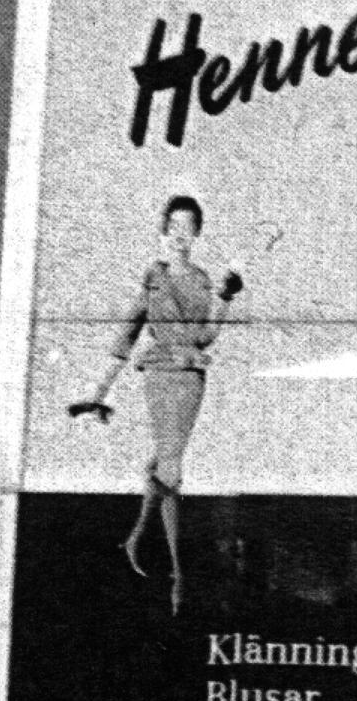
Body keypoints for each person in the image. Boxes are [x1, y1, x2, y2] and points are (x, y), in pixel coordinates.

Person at [72, 194, 243, 613]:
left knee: (166, 465)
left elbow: (205, 337)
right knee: (167, 465)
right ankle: (172, 569)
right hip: (157, 373)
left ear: (198, 233)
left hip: (189, 375)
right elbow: (126, 338)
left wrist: (225, 298)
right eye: (175, 225)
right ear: (164, 230)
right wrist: (99, 393)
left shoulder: (204, 280)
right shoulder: (153, 278)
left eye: (190, 226)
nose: (182, 234)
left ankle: (152, 552)